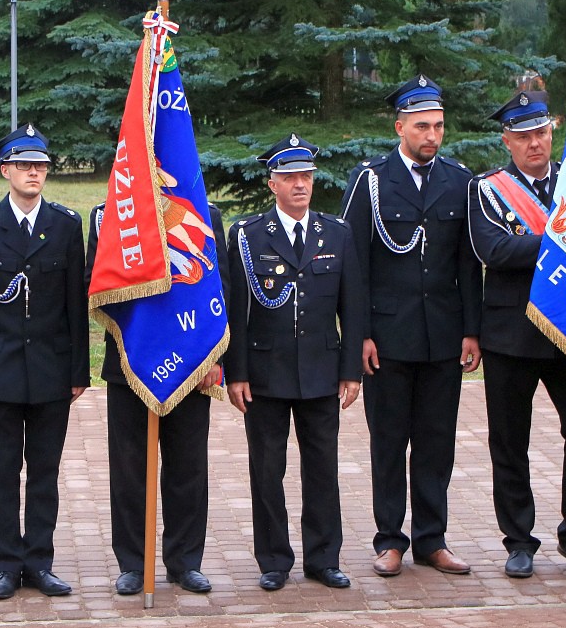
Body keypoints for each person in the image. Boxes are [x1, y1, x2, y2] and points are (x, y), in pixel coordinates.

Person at [340, 74, 481, 578]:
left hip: (442, 335)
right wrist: (359, 335)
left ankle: (432, 539)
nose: (432, 136)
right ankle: (389, 539)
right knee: (389, 440)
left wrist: (471, 329)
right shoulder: (371, 182)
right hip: (388, 337)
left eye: (439, 126)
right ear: (399, 126)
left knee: (437, 440)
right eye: (422, 126)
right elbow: (352, 266)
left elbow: (468, 263)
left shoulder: (461, 182)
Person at [467, 90, 566, 578]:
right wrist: (563, 238)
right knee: (510, 441)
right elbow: (494, 250)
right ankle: (519, 541)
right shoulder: (487, 189)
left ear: (553, 132)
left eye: (541, 134)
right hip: (511, 334)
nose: (534, 144)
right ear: (507, 140)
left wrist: (543, 239)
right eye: (523, 136)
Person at [0, 124, 89, 600]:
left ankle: (40, 562)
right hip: (0, 367)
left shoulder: (68, 225)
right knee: (3, 471)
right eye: (25, 165)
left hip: (52, 369)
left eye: (42, 165)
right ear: (5, 169)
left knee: (45, 472)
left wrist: (78, 370)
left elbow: (75, 303)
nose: (35, 172)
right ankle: (7, 563)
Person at [226, 134, 363, 592]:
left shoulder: (338, 234)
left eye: (305, 175)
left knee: (322, 467)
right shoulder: (247, 236)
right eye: (289, 177)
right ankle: (274, 559)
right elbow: (237, 309)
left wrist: (350, 371)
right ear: (272, 184)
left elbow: (353, 307)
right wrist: (237, 372)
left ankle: (324, 558)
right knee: (267, 469)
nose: (300, 184)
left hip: (322, 371)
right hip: (266, 372)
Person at [85, 202, 227, 596]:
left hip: (191, 360)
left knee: (188, 466)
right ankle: (133, 563)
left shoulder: (202, 211)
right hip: (133, 361)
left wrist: (215, 356)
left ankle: (185, 562)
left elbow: (220, 286)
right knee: (130, 468)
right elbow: (93, 285)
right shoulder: (109, 215)